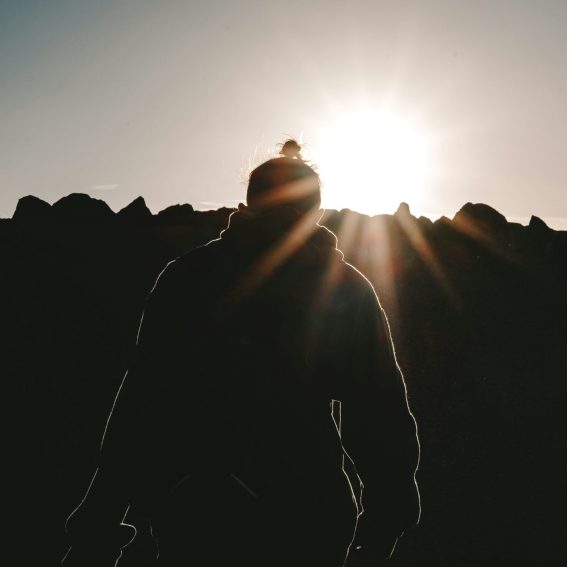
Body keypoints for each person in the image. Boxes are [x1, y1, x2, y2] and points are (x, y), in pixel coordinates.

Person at [63, 140, 421, 566]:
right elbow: (379, 411)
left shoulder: (189, 277)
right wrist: (382, 526)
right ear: (317, 213)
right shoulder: (346, 287)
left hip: (199, 513)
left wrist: (97, 524)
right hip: (310, 519)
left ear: (248, 203)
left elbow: (141, 404)